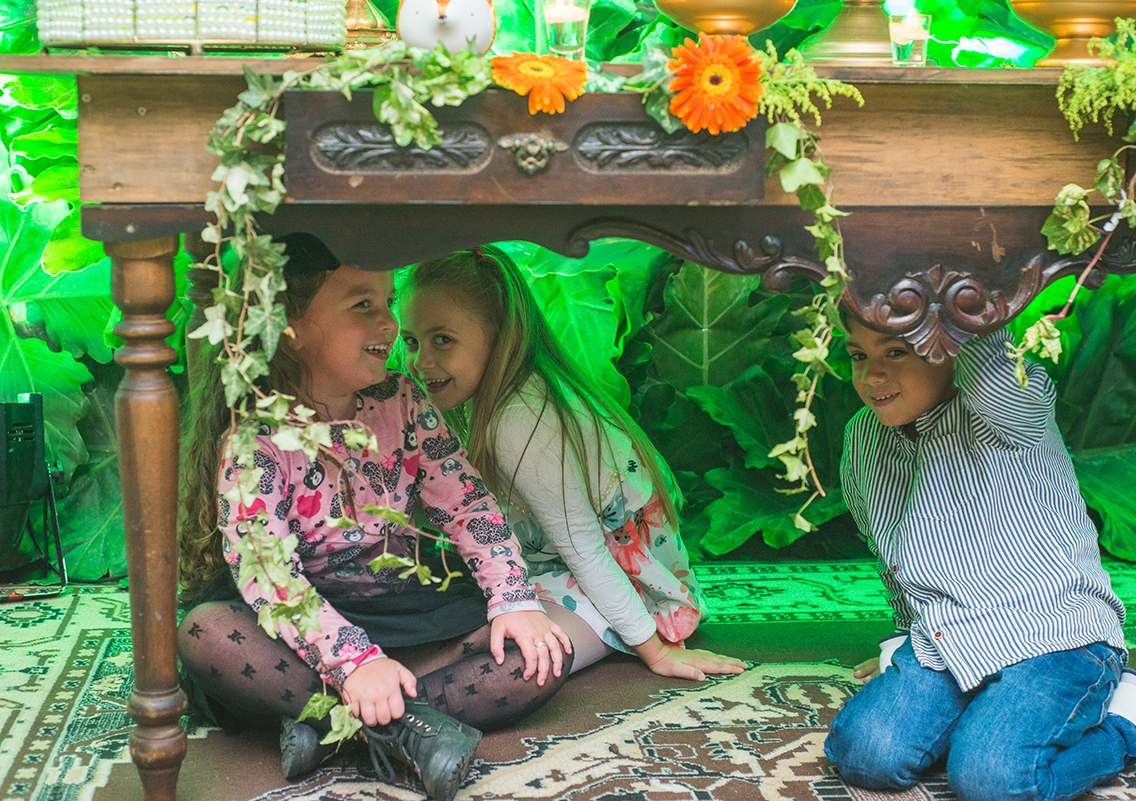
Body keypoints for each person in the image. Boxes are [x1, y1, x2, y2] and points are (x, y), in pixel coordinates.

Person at [176, 234, 573, 801]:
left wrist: (514, 599)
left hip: (400, 606)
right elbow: (269, 575)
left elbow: (466, 505)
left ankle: (324, 726)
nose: (388, 324)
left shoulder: (404, 401)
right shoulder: (255, 435)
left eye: (387, 302)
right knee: (205, 633)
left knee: (540, 656)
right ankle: (415, 730)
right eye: (363, 305)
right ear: (287, 325)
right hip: (299, 626)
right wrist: (352, 662)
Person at [825, 316, 1136, 801]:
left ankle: (1122, 724)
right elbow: (888, 547)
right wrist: (911, 633)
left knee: (993, 782)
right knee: (865, 754)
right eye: (859, 355)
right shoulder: (863, 437)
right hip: (948, 638)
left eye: (897, 352)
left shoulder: (1008, 407)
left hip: (1053, 638)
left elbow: (983, 345)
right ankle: (986, 714)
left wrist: (963, 289)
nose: (872, 376)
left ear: (950, 345)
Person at [395, 246, 746, 681]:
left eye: (442, 340)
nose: (420, 361)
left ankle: (364, 707)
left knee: (516, 667)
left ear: (501, 334)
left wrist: (657, 654)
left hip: (616, 584)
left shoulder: (520, 416)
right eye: (411, 341)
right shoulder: (492, 395)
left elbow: (585, 550)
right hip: (557, 569)